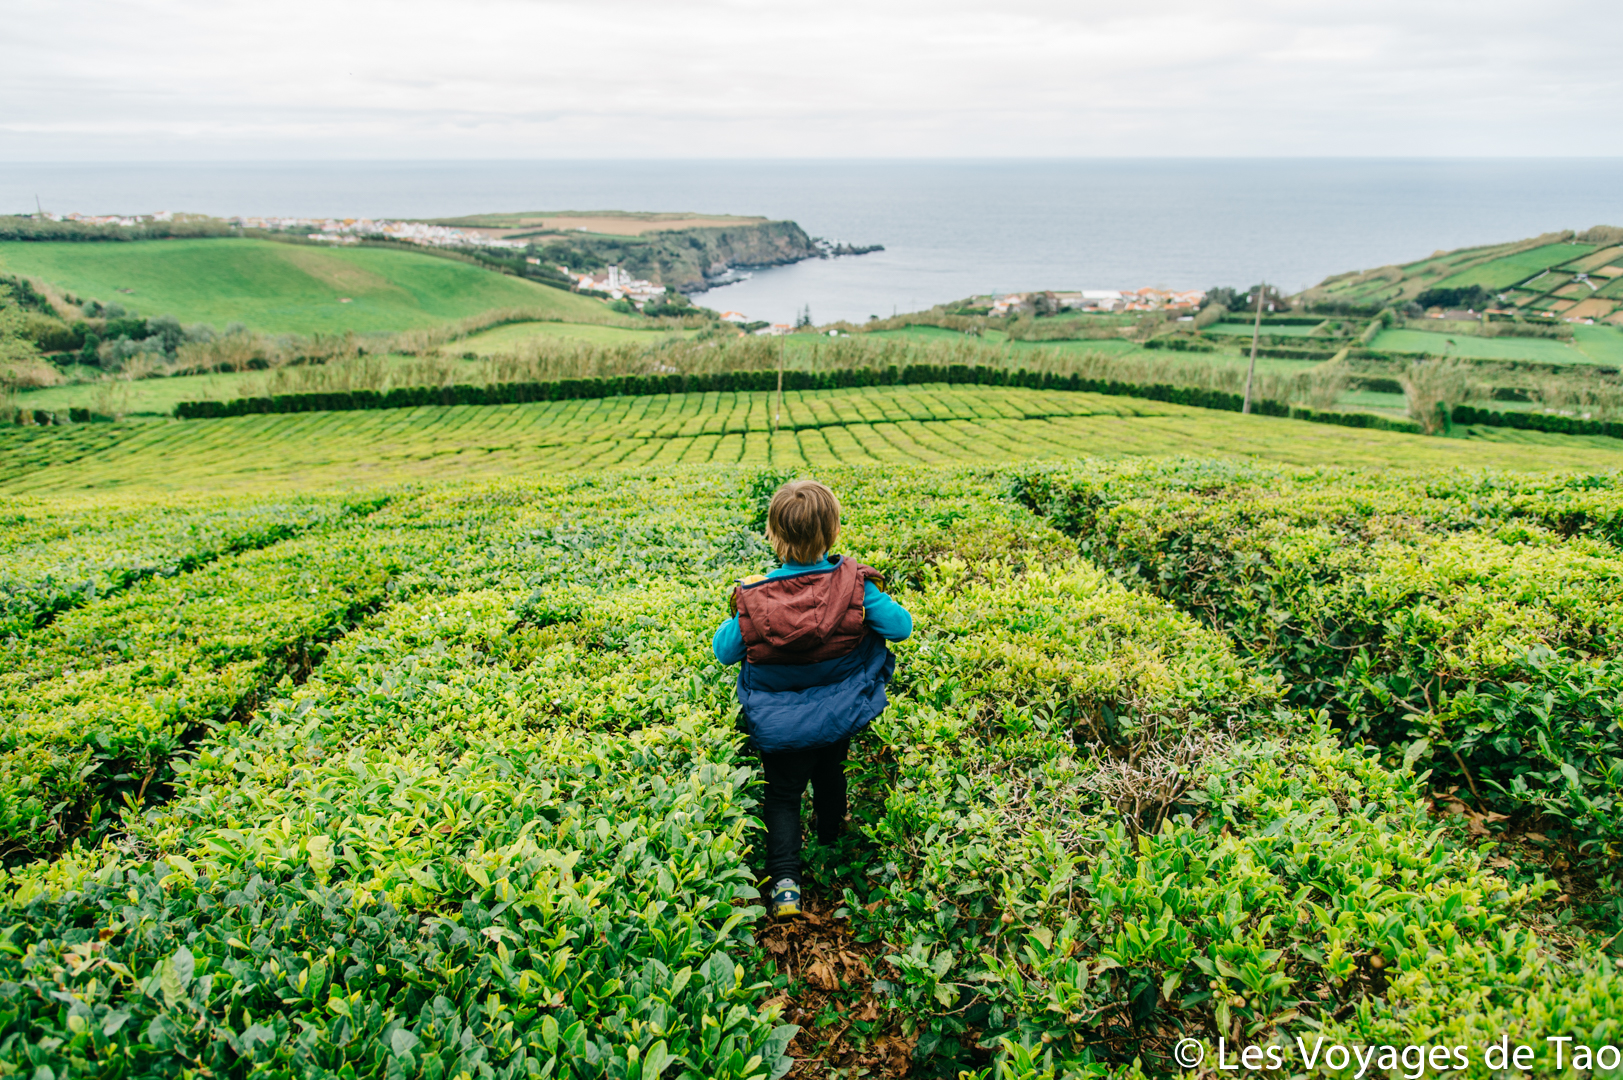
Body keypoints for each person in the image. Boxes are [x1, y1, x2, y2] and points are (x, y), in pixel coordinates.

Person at [712, 479, 913, 919]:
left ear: (773, 535)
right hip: (840, 713)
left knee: (782, 795)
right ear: (834, 532)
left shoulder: (753, 596)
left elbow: (723, 651)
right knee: (830, 773)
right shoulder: (858, 587)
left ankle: (785, 885)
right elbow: (901, 628)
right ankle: (830, 843)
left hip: (779, 723)